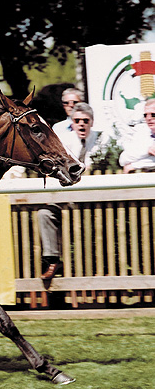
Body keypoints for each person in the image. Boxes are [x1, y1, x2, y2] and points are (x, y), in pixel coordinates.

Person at [39, 102, 109, 279]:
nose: (81, 124)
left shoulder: (102, 139)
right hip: (68, 197)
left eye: (85, 120)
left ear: (91, 122)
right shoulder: (65, 141)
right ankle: (52, 260)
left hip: (98, 200)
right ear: (72, 122)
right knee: (44, 213)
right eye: (77, 120)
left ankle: (104, 265)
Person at [119, 98, 155, 173]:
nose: (148, 118)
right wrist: (147, 151)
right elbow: (123, 159)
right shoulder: (142, 133)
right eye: (145, 115)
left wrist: (135, 165)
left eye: (153, 115)